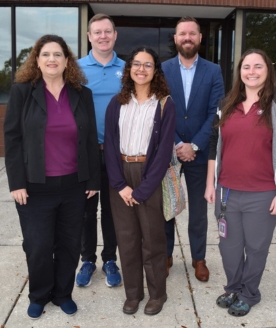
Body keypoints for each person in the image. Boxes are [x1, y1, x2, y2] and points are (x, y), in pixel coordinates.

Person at [4, 34, 100, 319]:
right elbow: (12, 138)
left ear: (67, 60)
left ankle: (62, 293)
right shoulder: (23, 91)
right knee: (38, 245)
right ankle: (39, 294)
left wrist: (93, 180)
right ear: (37, 60)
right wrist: (17, 182)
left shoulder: (82, 94)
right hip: (35, 186)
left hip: (74, 185)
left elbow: (91, 139)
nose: (52, 59)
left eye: (57, 54)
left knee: (70, 244)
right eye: (45, 54)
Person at [204, 49, 276, 316]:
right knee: (229, 247)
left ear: (268, 70)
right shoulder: (226, 104)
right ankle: (233, 287)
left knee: (256, 248)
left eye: (258, 66)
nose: (252, 71)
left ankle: (250, 293)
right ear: (240, 72)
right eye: (246, 66)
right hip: (226, 191)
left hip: (263, 193)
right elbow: (214, 144)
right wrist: (210, 183)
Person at [104, 46, 176, 315]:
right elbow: (110, 145)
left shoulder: (165, 104)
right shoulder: (117, 102)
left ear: (155, 70)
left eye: (147, 65)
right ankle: (133, 294)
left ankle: (157, 294)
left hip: (150, 176)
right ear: (129, 69)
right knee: (127, 239)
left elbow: (164, 150)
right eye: (136, 64)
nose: (141, 69)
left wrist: (144, 189)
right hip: (121, 173)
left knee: (153, 240)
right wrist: (120, 184)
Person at [162, 16, 224, 282]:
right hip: (169, 153)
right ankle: (165, 255)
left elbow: (216, 113)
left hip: (199, 153)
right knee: (166, 208)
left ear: (200, 38)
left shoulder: (214, 71)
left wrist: (194, 145)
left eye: (192, 33)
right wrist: (177, 144)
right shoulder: (162, 69)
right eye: (182, 34)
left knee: (198, 212)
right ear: (175, 39)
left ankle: (198, 258)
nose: (187, 38)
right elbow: (160, 108)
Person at [76, 13, 125, 288]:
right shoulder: (75, 68)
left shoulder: (128, 69)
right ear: (89, 36)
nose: (103, 36)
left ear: (115, 35)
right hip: (86, 152)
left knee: (112, 209)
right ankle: (87, 260)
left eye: (107, 31)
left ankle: (109, 259)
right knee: (85, 209)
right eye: (97, 32)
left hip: (117, 153)